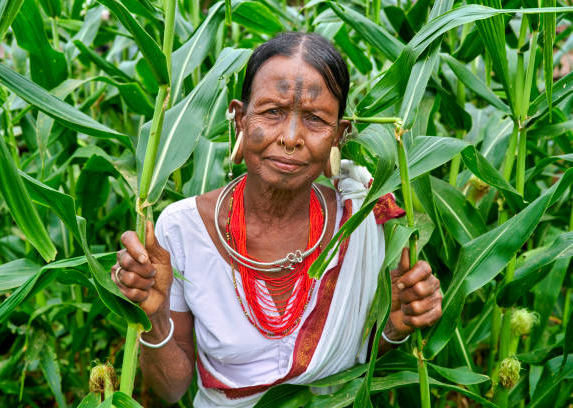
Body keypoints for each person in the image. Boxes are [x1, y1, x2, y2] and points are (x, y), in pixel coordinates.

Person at [111, 32, 442, 407]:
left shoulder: (364, 219)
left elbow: (355, 365)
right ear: (238, 117)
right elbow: (169, 390)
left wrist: (398, 324)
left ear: (340, 135)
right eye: (272, 112)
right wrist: (152, 314)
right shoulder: (181, 230)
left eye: (316, 119)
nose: (290, 137)